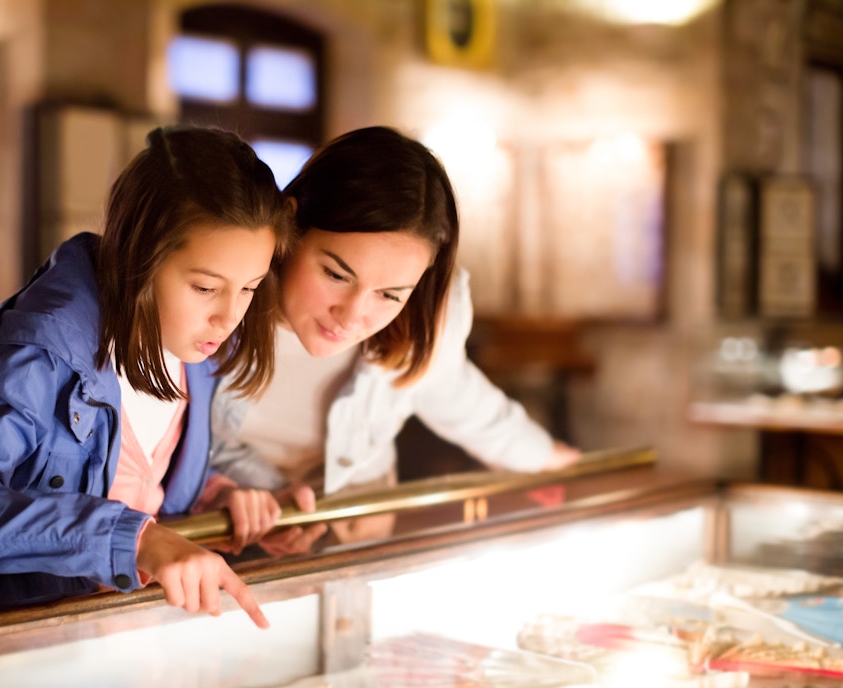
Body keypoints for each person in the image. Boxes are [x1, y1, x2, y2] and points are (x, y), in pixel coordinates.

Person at [0, 126, 295, 627]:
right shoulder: (49, 354)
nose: (229, 317)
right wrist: (133, 540)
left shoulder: (200, 354)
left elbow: (141, 484)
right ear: (140, 257)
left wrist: (219, 497)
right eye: (204, 287)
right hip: (21, 647)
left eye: (249, 288)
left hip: (122, 638)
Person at [210, 126, 579, 551]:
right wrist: (254, 496)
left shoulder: (425, 317)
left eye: (389, 295)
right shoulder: (219, 296)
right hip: (222, 535)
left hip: (355, 541)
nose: (352, 315)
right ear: (291, 224)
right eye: (335, 274)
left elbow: (459, 398)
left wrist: (551, 460)